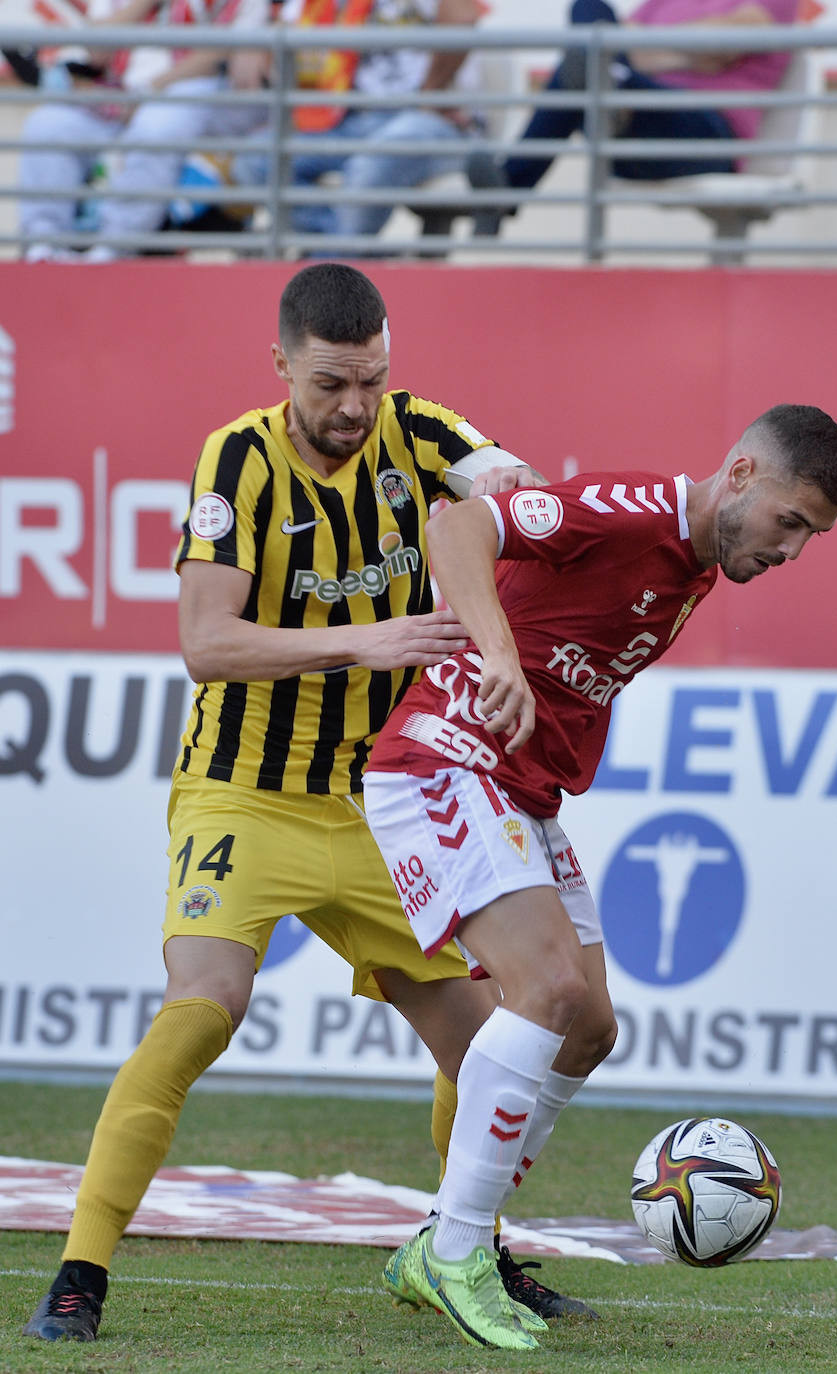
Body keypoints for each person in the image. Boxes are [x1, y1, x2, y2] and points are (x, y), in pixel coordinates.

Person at [21, 262, 589, 1344]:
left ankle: (465, 1250)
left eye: (371, 380)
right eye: (332, 384)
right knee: (203, 1010)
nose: (354, 407)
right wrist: (366, 639)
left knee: (489, 1048)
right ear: (279, 364)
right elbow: (204, 644)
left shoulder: (419, 435)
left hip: (384, 807)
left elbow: (515, 486)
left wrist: (526, 503)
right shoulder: (235, 459)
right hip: (247, 797)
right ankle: (80, 1274)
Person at [362, 403, 837, 1350]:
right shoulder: (633, 511)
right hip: (445, 757)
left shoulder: (701, 563)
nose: (792, 549)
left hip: (521, 789)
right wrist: (499, 658)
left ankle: (443, 1236)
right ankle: (459, 1248)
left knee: (588, 1028)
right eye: (789, 522)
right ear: (743, 474)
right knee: (545, 990)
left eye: (811, 537)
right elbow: (457, 523)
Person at [468, 0, 799, 236]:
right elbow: (634, 49)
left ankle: (508, 187)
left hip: (707, 134)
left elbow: (721, 47)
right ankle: (612, 94)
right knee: (589, 14)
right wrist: (688, 52)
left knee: (587, 62)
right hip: (635, 125)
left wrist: (645, 52)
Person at [18, 0, 270, 261]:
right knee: (47, 124)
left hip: (193, 94)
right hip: (116, 95)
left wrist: (150, 90)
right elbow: (95, 50)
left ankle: (115, 247)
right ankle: (43, 245)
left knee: (157, 128)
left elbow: (221, 49)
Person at [234, 0, 484, 245]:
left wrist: (430, 93)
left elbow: (463, 16)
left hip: (430, 120)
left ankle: (334, 263)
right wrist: (257, 44)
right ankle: (342, 255)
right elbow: (285, 31)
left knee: (369, 165)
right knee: (254, 158)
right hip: (347, 119)